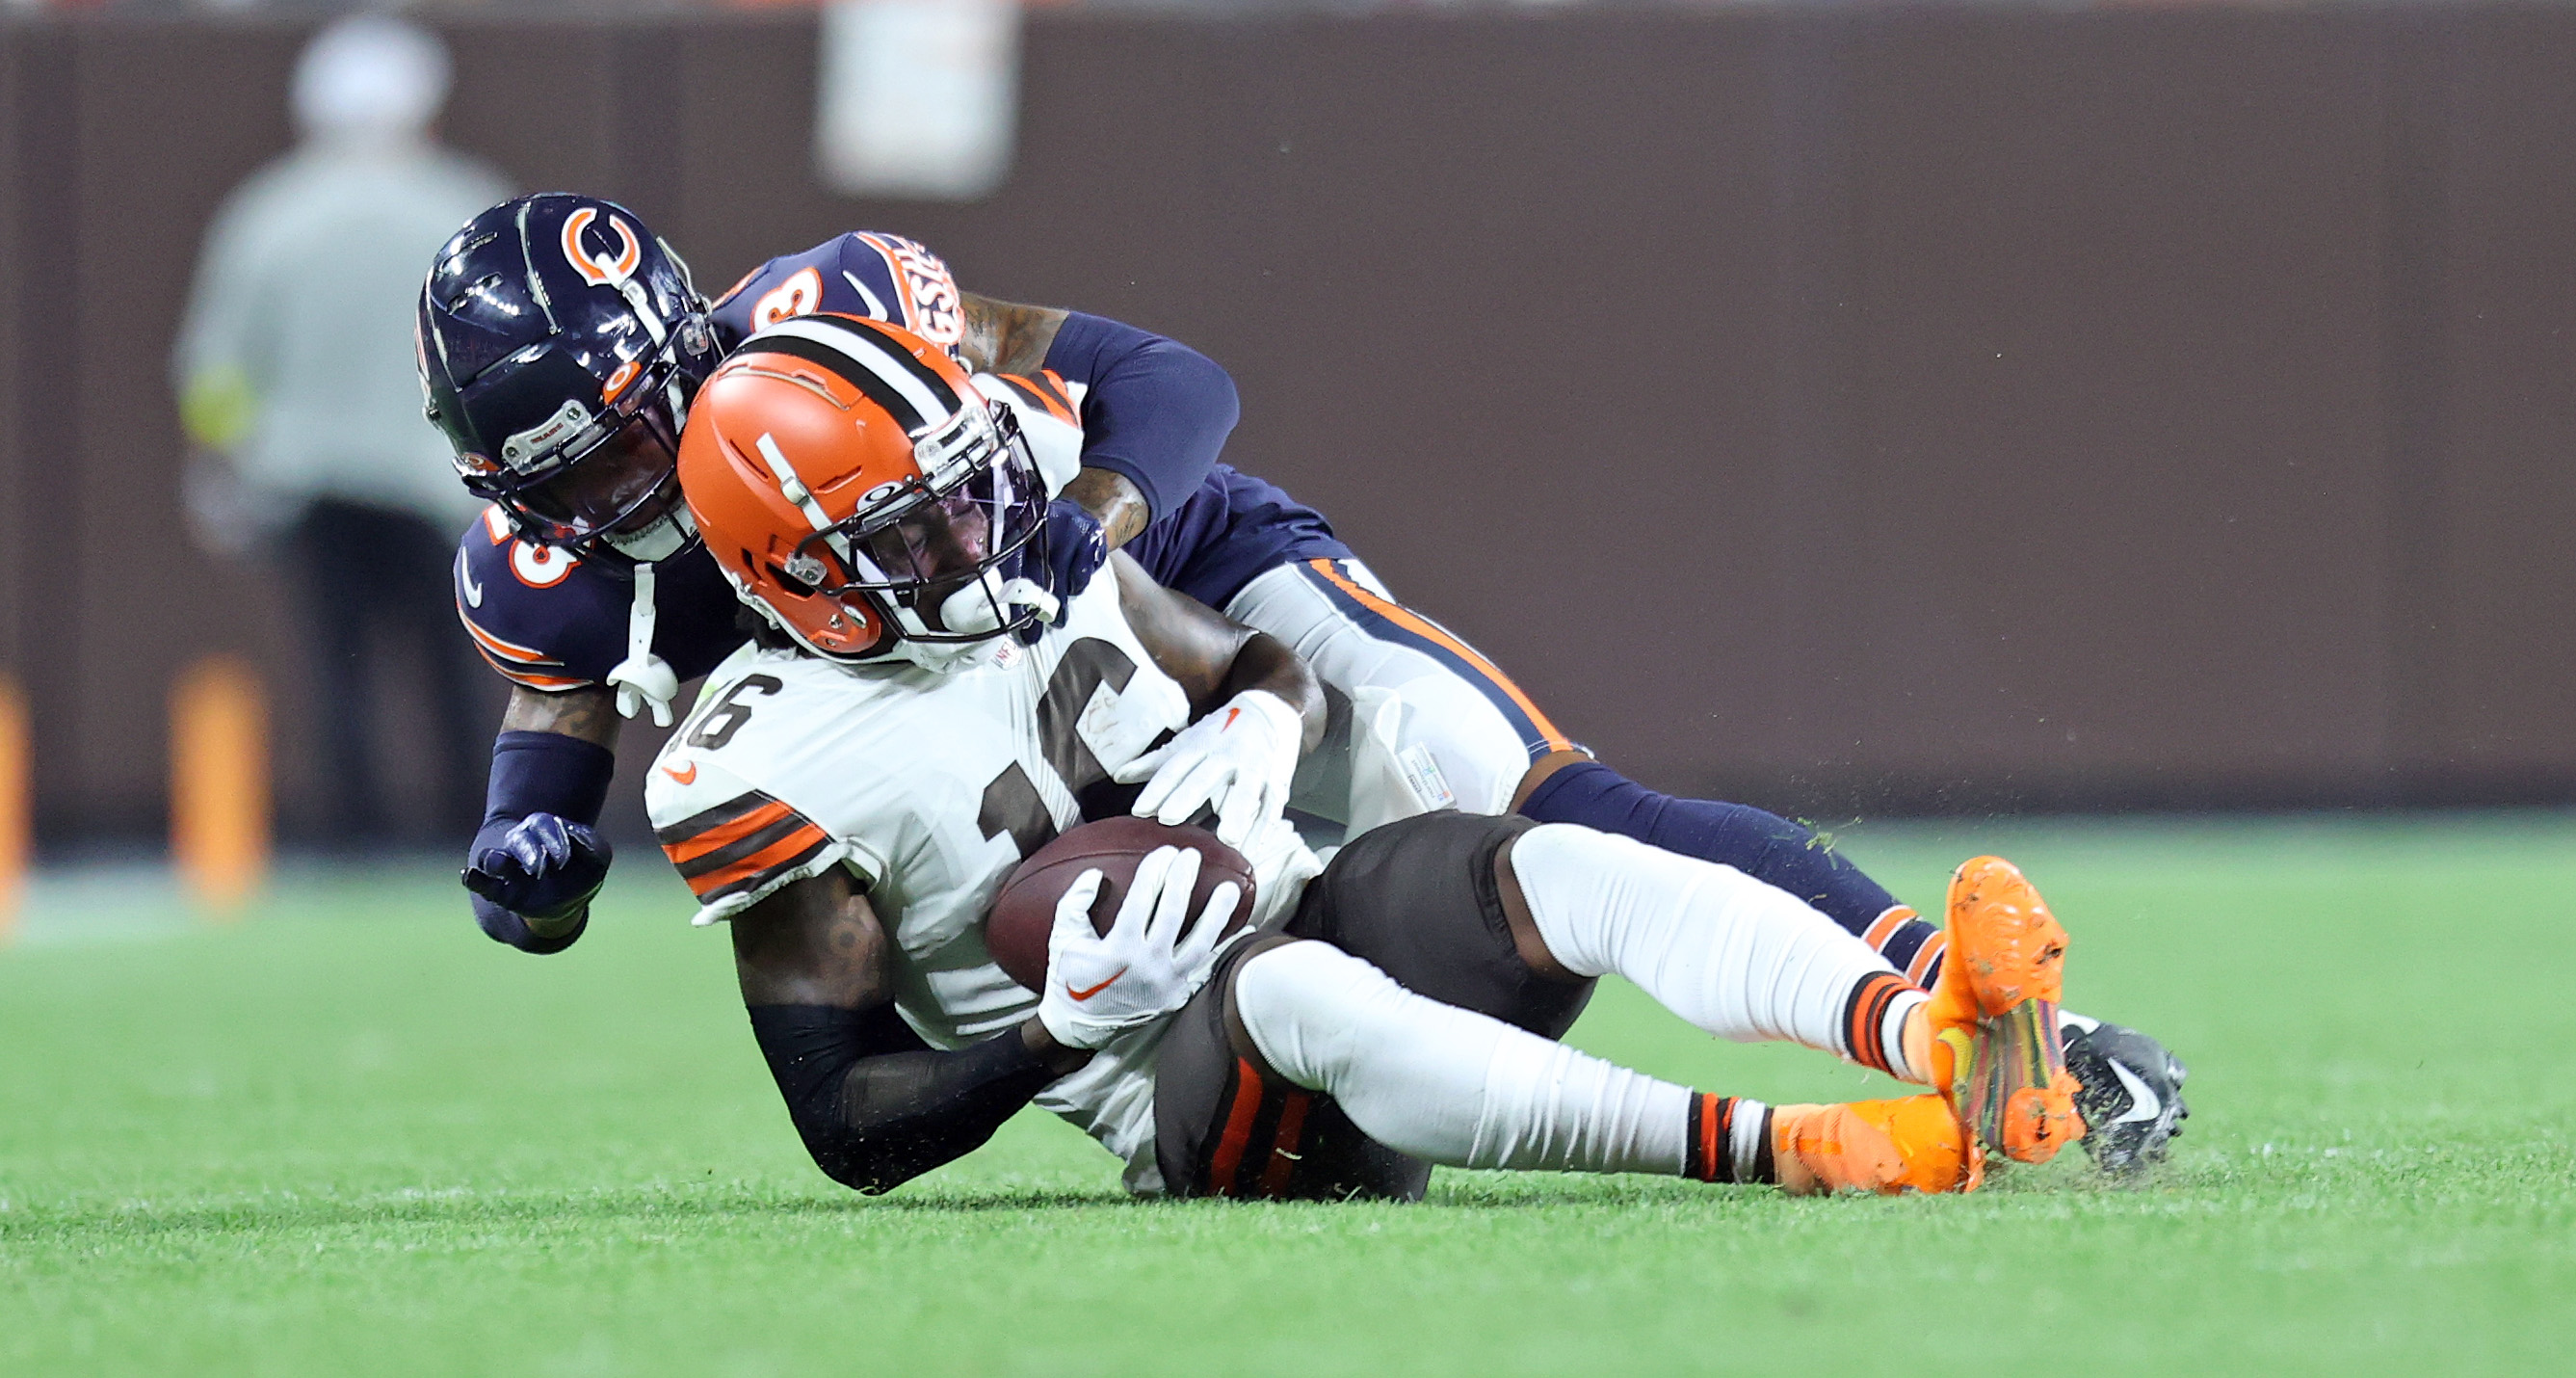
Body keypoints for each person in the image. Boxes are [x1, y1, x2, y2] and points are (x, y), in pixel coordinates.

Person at [416, 195, 2184, 1171]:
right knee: (1240, 962)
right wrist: (526, 852)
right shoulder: (560, 567)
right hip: (968, 715)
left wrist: (1100, 526)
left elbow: (1161, 377)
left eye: (608, 447)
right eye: (546, 481)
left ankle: (1975, 1016)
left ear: (683, 345)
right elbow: (556, 717)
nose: (596, 501)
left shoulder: (850, 309)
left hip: (1158, 578)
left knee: (1530, 800)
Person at [642, 314, 2085, 1200]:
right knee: (1292, 986)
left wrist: (1272, 718)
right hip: (1186, 1091)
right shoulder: (764, 762)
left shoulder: (1032, 533)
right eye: (911, 533)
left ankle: (1939, 1039)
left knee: (1563, 857)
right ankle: (1796, 1144)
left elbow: (1250, 661)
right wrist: (1056, 1031)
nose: (971, 540)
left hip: (1304, 897)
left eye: (969, 493)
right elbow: (847, 1125)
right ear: (790, 571)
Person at [176, 14, 509, 845]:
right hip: (443, 487)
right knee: (464, 669)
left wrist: (228, 461)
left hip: (309, 486)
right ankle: (480, 834)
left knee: (340, 674)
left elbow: (215, 372)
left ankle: (354, 842)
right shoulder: (464, 208)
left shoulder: (267, 215)